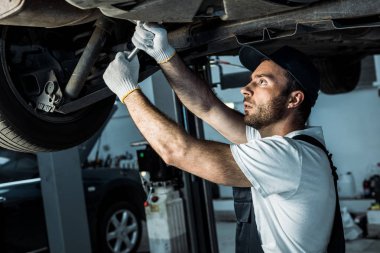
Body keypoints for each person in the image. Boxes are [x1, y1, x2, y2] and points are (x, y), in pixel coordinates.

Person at [103, 22, 343, 253]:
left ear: (293, 100)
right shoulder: (279, 143)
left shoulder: (289, 156)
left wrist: (127, 90)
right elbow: (207, 107)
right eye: (251, 80)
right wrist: (164, 54)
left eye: (262, 82)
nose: (245, 89)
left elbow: (177, 152)